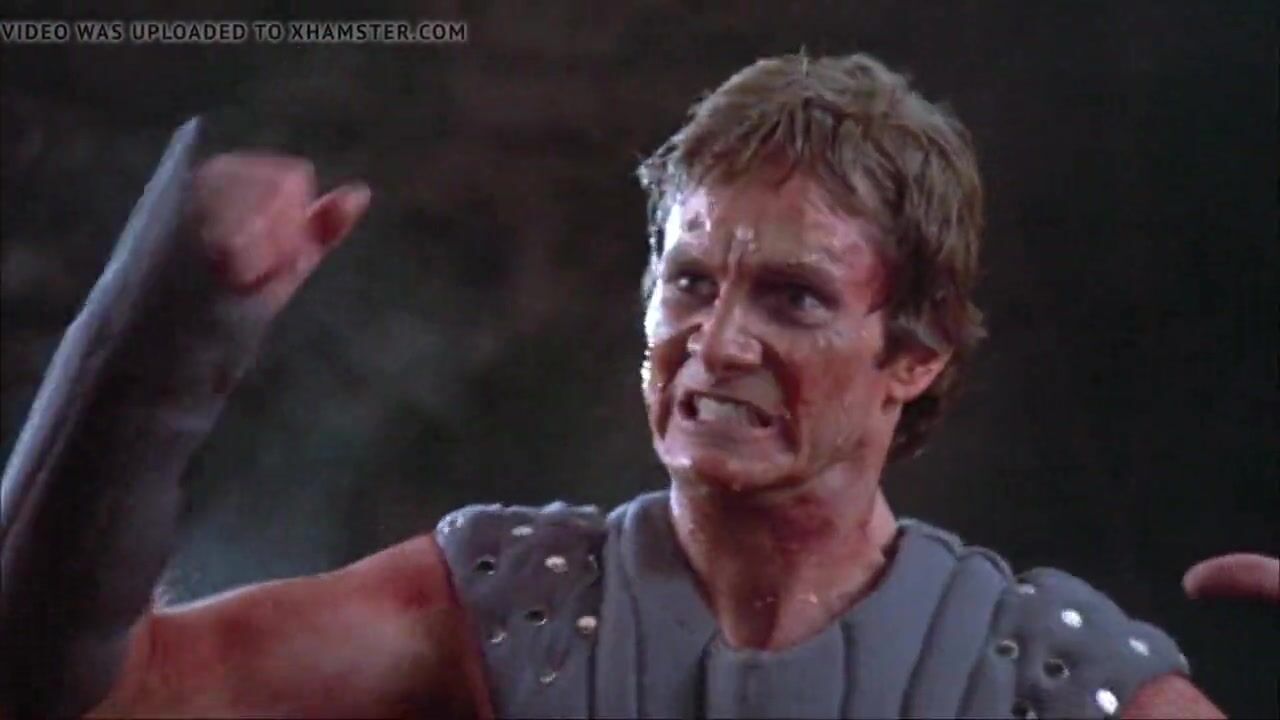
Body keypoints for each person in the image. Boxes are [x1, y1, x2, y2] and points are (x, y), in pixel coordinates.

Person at [1, 52, 1274, 720]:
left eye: (791, 297)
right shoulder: (506, 609)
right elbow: (86, 695)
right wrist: (151, 357)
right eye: (688, 283)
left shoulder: (1032, 672)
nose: (714, 343)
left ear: (913, 355)